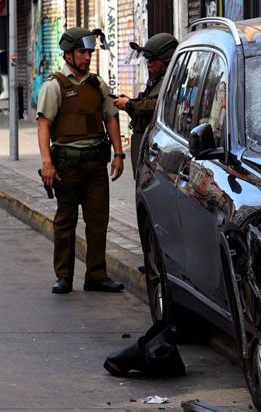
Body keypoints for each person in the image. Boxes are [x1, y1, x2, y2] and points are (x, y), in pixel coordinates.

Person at [37, 26, 126, 294]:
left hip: (95, 165)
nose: (87, 57)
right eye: (81, 52)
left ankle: (96, 276)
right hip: (66, 165)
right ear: (68, 55)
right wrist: (47, 163)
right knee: (65, 221)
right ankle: (63, 275)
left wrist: (119, 154)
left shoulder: (97, 85)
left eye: (89, 52)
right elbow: (44, 126)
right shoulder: (55, 85)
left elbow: (111, 117)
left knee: (98, 221)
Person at [113, 33, 178, 176]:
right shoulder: (157, 79)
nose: (149, 63)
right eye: (147, 59)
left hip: (156, 148)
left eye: (153, 59)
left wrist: (130, 104)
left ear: (166, 59)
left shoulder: (171, 81)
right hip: (145, 143)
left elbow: (156, 106)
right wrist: (129, 103)